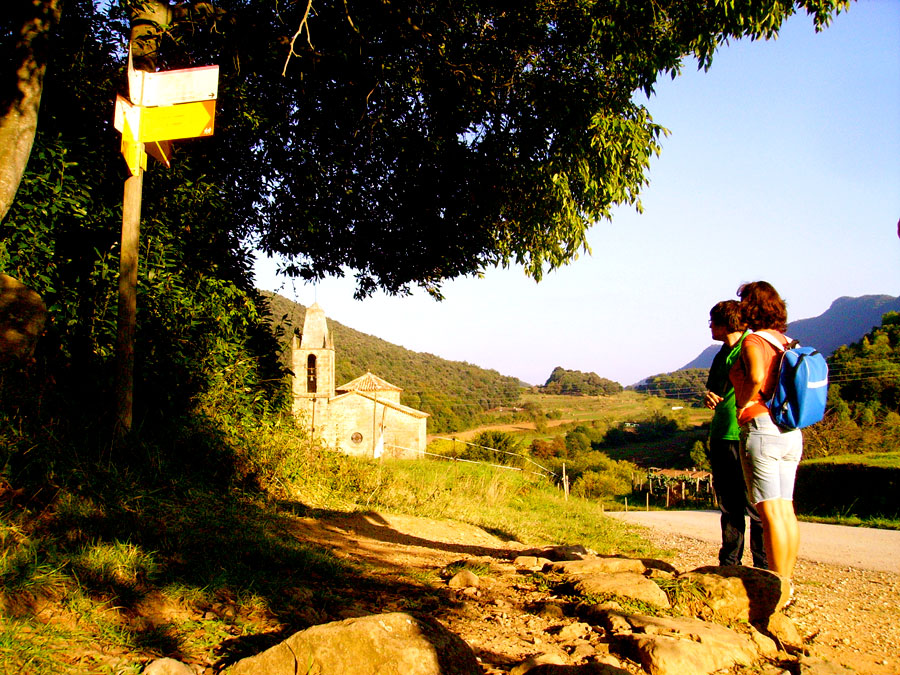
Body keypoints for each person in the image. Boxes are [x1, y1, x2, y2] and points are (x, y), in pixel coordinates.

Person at [729, 281, 803, 584]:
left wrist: (742, 404)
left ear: (750, 308)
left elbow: (757, 375)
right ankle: (787, 583)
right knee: (785, 510)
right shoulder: (787, 342)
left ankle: (776, 585)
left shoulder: (754, 340)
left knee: (769, 512)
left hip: (762, 427)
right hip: (790, 431)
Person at [704, 300, 767, 569]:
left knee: (755, 504)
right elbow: (714, 388)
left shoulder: (750, 346)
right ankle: (729, 564)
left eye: (713, 321)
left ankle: (763, 567)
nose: (709, 326)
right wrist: (709, 396)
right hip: (721, 433)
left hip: (745, 432)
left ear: (726, 323)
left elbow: (759, 379)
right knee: (729, 505)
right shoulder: (721, 353)